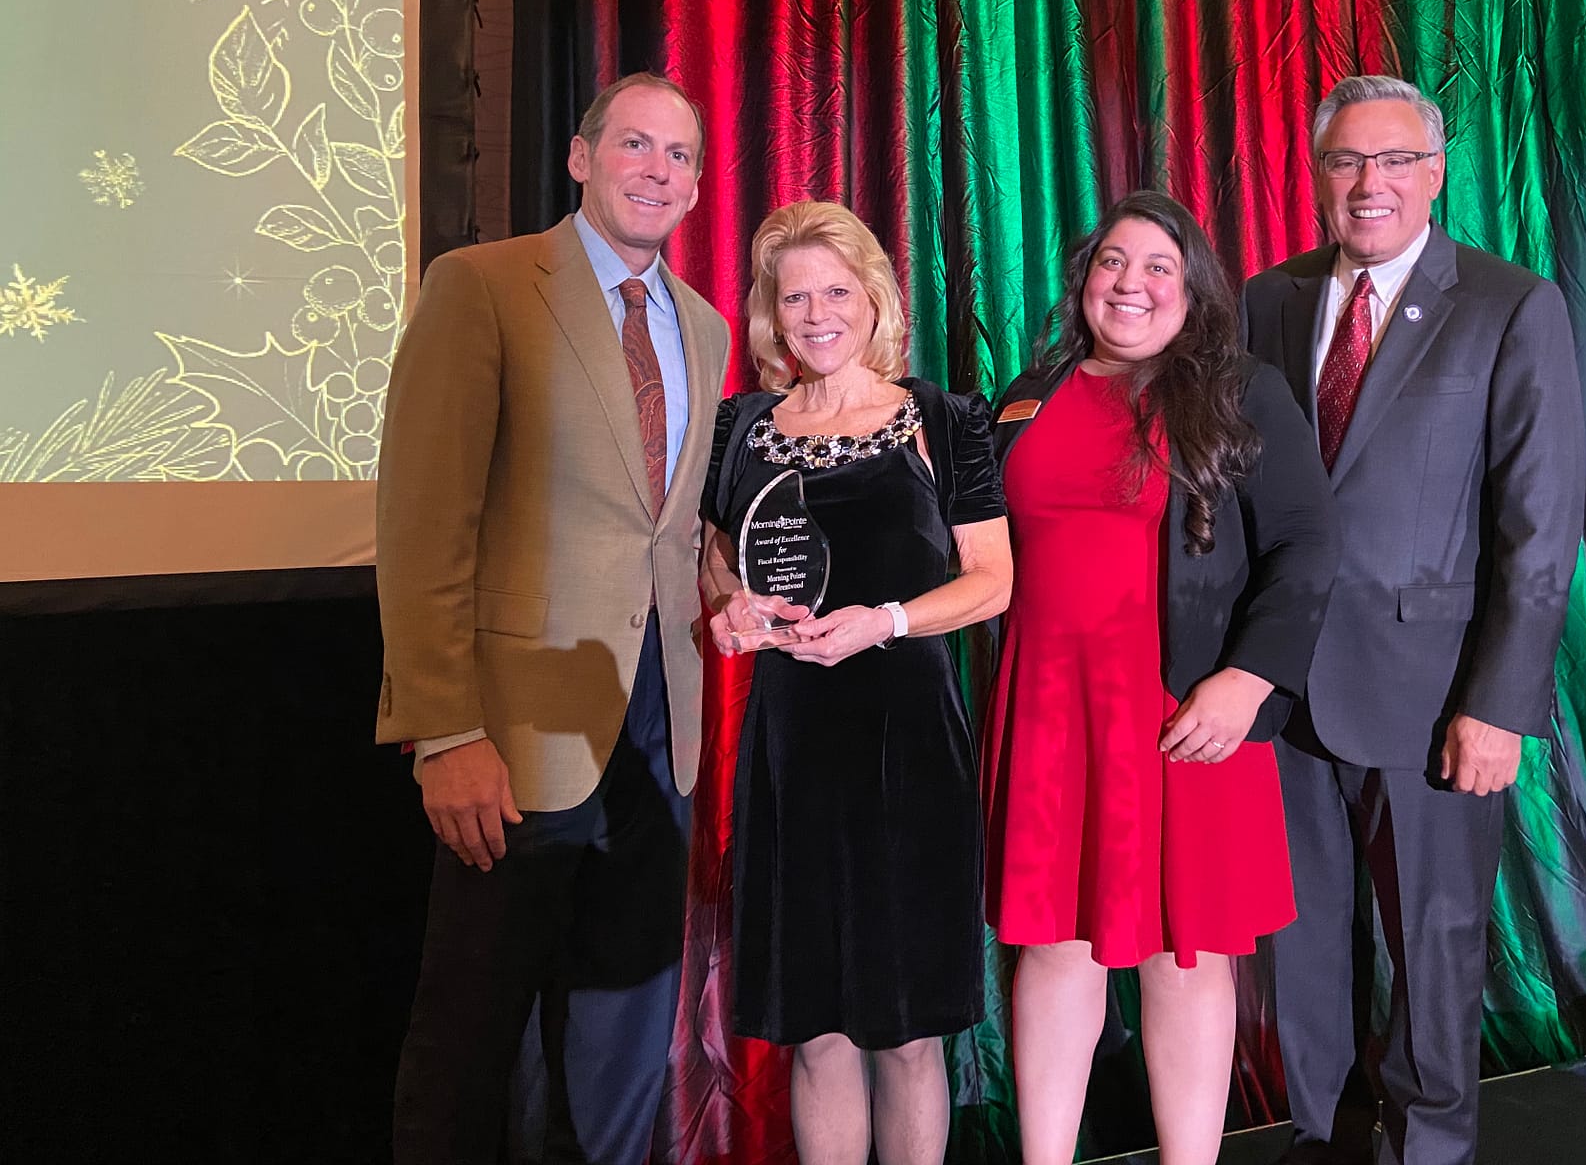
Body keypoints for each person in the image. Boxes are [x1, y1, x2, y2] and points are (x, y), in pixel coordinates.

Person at [376, 72, 731, 1163]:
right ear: (581, 159)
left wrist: (731, 592)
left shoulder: (709, 330)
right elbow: (425, 522)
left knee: (621, 1033)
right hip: (513, 738)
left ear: (698, 186)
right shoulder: (482, 286)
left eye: (677, 156)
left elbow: (667, 530)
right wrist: (445, 731)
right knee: (471, 1035)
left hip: (658, 733)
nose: (655, 170)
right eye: (633, 144)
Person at [1242, 75, 1585, 1165]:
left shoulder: (1510, 304)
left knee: (1434, 949)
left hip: (1436, 702)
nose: (1369, 183)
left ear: (1436, 174)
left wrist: (1500, 706)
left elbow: (1540, 526)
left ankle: (1431, 1146)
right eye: (1346, 161)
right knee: (1302, 949)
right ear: (1319, 175)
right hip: (1284, 690)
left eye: (1395, 161)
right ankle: (1325, 1139)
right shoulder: (1268, 300)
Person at [982, 191, 1341, 1165]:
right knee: (1055, 948)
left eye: (1156, 268)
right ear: (1084, 279)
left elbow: (1306, 547)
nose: (1129, 284)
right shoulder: (1028, 393)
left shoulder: (1241, 391)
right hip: (1050, 709)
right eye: (1112, 263)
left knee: (1189, 956)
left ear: (1193, 293)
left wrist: (1249, 680)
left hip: (1185, 710)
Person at [699, 200, 1013, 1165]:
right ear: (771, 315)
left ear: (875, 300)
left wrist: (886, 621)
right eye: (796, 297)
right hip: (793, 747)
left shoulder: (944, 418)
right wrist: (730, 609)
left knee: (909, 1029)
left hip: (908, 743)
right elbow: (714, 558)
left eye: (837, 291)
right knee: (819, 1029)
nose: (817, 312)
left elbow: (994, 583)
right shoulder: (740, 425)